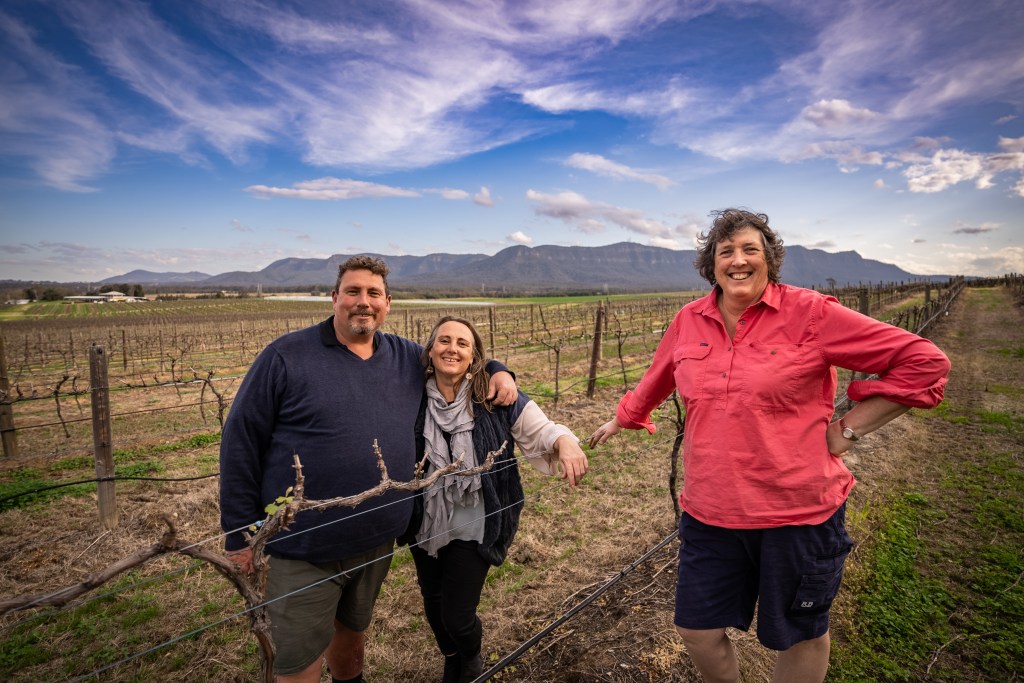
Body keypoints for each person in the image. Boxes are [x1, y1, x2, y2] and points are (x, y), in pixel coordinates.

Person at [588, 209, 950, 683]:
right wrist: (625, 417)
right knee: (696, 629)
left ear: (769, 260)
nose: (737, 260)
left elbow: (924, 363)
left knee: (799, 631)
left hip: (797, 511)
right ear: (711, 264)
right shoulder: (689, 319)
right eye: (726, 252)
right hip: (709, 510)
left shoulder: (812, 313)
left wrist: (848, 430)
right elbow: (660, 376)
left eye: (749, 250)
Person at [219, 256, 519, 683]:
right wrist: (239, 534)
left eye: (373, 293)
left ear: (387, 302)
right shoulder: (285, 356)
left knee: (352, 640)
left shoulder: (404, 355)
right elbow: (240, 442)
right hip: (300, 548)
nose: (364, 302)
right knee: (296, 662)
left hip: (376, 543)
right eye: (354, 291)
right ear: (335, 297)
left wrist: (499, 370)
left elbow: (453, 358)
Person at [401, 315, 589, 683]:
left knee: (457, 613)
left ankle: (469, 657)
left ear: (475, 358)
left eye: (462, 343)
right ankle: (452, 654)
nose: (451, 348)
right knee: (433, 603)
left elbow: (541, 428)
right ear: (429, 351)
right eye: (444, 341)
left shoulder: (494, 396)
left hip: (478, 520)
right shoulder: (412, 396)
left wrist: (565, 441)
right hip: (426, 519)